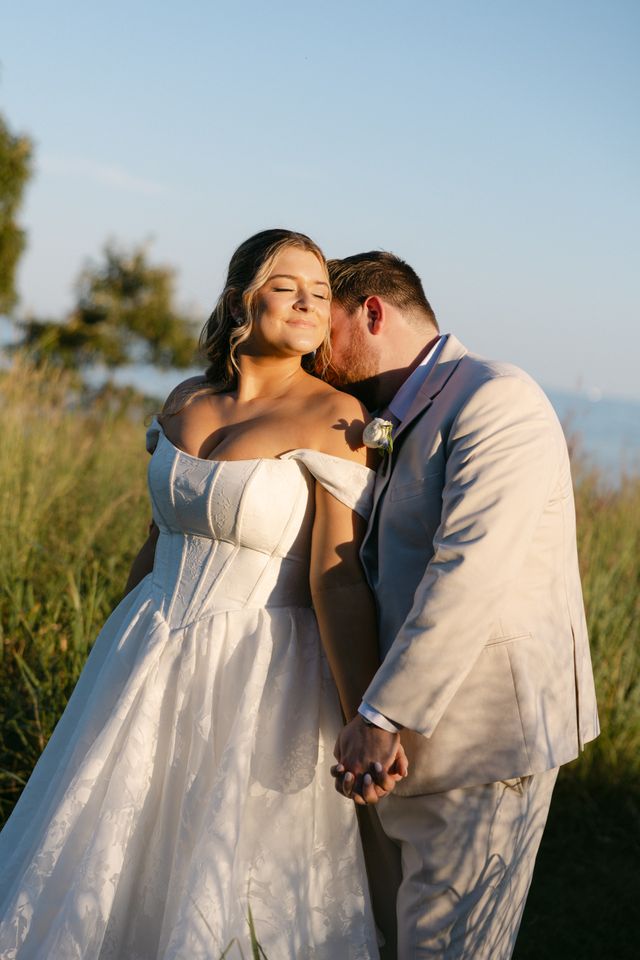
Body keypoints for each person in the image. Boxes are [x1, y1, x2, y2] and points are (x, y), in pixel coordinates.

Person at [0, 230, 406, 959]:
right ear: (239, 298)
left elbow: (336, 577)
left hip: (261, 673)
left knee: (227, 873)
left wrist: (365, 716)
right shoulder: (186, 399)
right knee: (109, 844)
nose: (310, 302)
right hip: (145, 649)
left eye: (321, 292)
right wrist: (108, 655)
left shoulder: (336, 418)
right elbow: (155, 539)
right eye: (289, 286)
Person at [325, 251, 600, 960]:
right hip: (392, 749)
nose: (313, 359)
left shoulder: (495, 397)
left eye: (323, 331)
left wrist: (383, 714)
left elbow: (469, 573)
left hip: (483, 740)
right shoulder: (387, 412)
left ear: (371, 312)